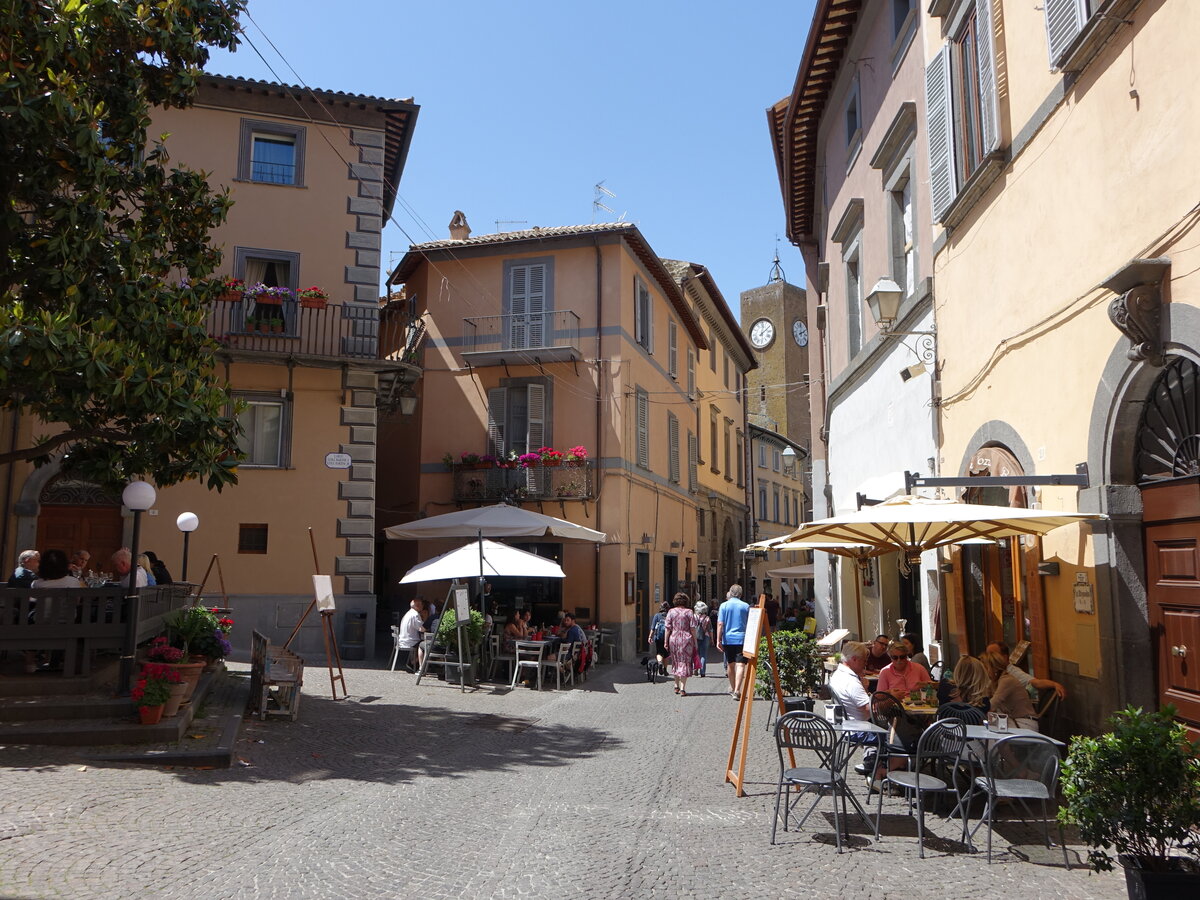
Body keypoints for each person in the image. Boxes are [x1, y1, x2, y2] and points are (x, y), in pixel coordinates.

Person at [985, 640, 1066, 700]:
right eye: (988, 655)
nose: (990, 659)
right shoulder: (991, 672)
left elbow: (1035, 682)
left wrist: (1055, 684)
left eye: (993, 655)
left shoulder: (1013, 672)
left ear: (1005, 657)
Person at [981, 649, 1038, 731]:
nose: (984, 671)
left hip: (1025, 724)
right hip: (1014, 722)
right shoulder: (994, 682)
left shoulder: (1006, 681)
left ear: (995, 668)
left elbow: (991, 705)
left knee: (989, 727)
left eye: (985, 667)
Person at [716, 584, 750, 699]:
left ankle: (733, 687)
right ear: (741, 594)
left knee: (730, 664)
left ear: (730, 592)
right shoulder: (745, 606)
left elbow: (720, 624)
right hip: (742, 639)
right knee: (741, 665)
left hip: (728, 639)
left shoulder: (724, 606)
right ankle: (737, 690)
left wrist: (718, 639)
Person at [664, 592, 697, 696]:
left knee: (675, 661)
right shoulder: (689, 612)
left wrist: (666, 641)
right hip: (686, 639)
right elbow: (693, 628)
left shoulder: (671, 612)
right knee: (685, 662)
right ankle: (683, 688)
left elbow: (667, 628)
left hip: (674, 638)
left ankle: (676, 685)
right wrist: (695, 642)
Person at [397, 597, 424, 672]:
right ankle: (414, 663)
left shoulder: (408, 613)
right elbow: (421, 628)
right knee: (425, 646)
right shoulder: (415, 615)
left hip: (403, 639)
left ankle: (412, 662)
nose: (422, 606)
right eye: (422, 605)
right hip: (410, 641)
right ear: (418, 605)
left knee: (422, 643)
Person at [647, 599, 669, 675]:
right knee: (666, 654)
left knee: (659, 652)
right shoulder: (669, 616)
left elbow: (653, 628)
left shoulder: (657, 616)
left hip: (658, 638)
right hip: (667, 638)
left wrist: (650, 637)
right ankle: (665, 670)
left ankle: (659, 663)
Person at [693, 601, 712, 677]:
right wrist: (712, 640)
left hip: (695, 637)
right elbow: (710, 630)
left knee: (695, 653)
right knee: (703, 654)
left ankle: (695, 668)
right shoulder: (707, 618)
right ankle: (702, 671)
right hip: (705, 636)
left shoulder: (693, 617)